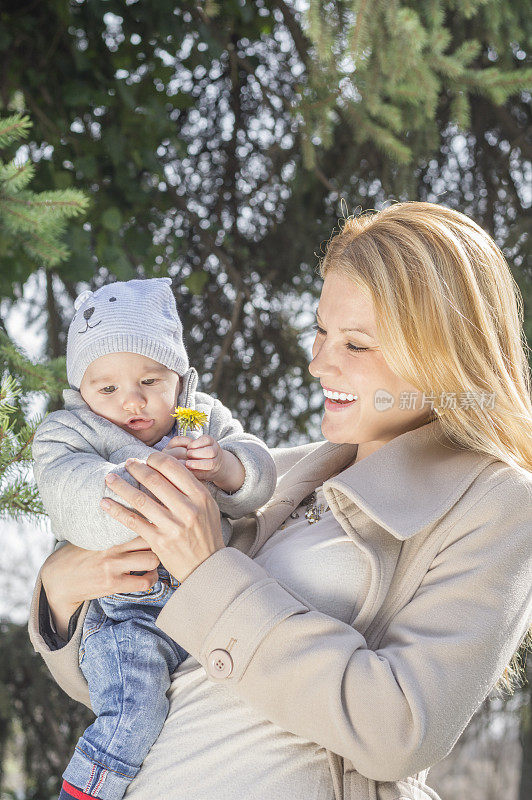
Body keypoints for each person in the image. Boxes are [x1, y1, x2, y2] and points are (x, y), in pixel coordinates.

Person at [28, 203, 532, 800]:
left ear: (440, 351)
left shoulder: (495, 500)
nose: (319, 362)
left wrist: (209, 570)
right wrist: (61, 593)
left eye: (357, 344)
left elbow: (401, 729)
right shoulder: (277, 476)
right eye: (320, 332)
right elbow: (139, 677)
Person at [30, 277, 277, 800]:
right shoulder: (72, 433)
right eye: (108, 389)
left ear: (180, 380)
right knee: (135, 707)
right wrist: (149, 474)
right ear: (82, 393)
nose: (132, 402)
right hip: (124, 616)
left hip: (203, 610)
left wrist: (229, 468)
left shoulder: (200, 419)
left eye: (150, 381)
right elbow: (72, 498)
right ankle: (85, 790)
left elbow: (259, 471)